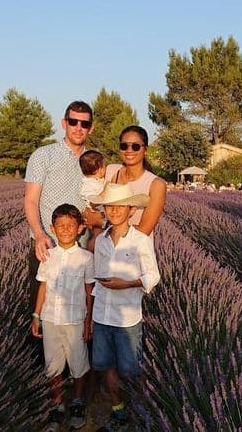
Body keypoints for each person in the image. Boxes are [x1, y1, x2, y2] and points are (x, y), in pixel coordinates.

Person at [89, 183, 160, 431]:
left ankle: (142, 409)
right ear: (105, 210)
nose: (114, 210)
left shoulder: (140, 241)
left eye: (120, 206)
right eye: (110, 206)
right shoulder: (100, 242)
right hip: (101, 316)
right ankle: (118, 411)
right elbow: (97, 276)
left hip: (127, 318)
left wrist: (128, 283)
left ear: (131, 209)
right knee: (107, 365)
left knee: (131, 369)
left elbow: (153, 275)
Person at [30, 204, 95, 431]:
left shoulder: (86, 258)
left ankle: (77, 402)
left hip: (76, 319)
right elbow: (43, 287)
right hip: (50, 319)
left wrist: (89, 321)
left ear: (80, 229)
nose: (65, 229)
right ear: (52, 228)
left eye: (70, 225)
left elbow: (89, 292)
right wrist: (36, 315)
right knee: (52, 365)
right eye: (60, 226)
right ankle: (57, 405)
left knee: (78, 363)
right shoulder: (48, 256)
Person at [24, 100, 94, 307]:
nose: (79, 128)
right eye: (73, 122)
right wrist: (39, 234)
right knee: (43, 305)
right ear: (64, 123)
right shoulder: (43, 155)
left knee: (80, 305)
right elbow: (30, 200)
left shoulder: (94, 161)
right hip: (47, 242)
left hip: (80, 245)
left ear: (91, 128)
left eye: (84, 124)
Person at [101, 125, 166, 237]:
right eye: (124, 146)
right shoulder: (111, 172)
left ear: (145, 150)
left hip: (135, 251)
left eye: (135, 146)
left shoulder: (155, 184)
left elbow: (143, 231)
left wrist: (102, 224)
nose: (129, 151)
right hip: (107, 249)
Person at [79, 150, 107, 252]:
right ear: (99, 169)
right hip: (94, 216)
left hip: (102, 216)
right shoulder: (88, 184)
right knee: (96, 236)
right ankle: (90, 255)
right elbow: (93, 202)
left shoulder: (98, 181)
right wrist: (105, 190)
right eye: (104, 166)